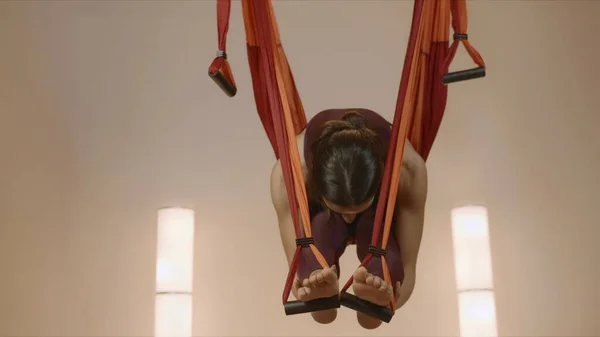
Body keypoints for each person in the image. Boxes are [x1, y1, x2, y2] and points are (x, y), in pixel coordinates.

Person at [270, 108, 427, 329]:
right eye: (342, 209)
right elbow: (294, 272)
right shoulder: (288, 176)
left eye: (356, 208)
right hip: (322, 214)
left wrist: (391, 297)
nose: (350, 218)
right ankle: (322, 294)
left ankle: (373, 299)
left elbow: (409, 272)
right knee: (315, 249)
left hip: (378, 216)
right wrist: (306, 289)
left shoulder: (407, 170)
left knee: (386, 263)